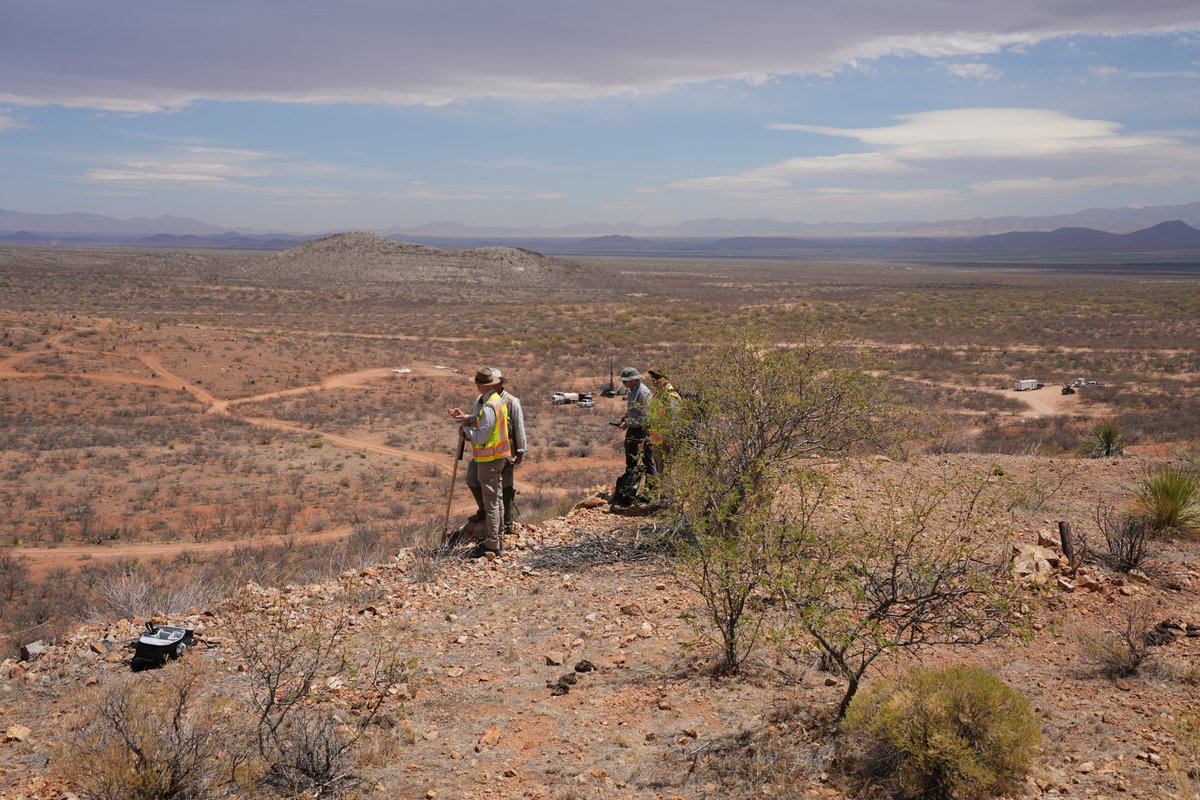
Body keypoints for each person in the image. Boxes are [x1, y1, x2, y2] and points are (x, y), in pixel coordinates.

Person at [448, 369, 511, 558]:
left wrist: (466, 430)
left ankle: (491, 544)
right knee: (496, 498)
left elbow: (482, 435)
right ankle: (498, 537)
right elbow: (482, 422)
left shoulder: (490, 406)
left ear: (481, 385)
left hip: (489, 459)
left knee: (491, 503)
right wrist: (465, 418)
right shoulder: (496, 401)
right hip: (497, 457)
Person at [465, 367, 526, 539]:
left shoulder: (511, 401)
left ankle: (505, 524)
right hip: (484, 452)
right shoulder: (482, 400)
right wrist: (466, 420)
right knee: (473, 479)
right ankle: (486, 514)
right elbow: (479, 420)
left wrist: (521, 450)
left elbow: (519, 427)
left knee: (504, 487)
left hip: (503, 451)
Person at [617, 366, 655, 488]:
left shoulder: (644, 392)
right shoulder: (631, 391)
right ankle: (630, 489)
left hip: (644, 432)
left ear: (633, 380)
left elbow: (646, 417)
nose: (624, 383)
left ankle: (652, 491)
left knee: (647, 462)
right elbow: (632, 409)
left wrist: (628, 422)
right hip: (633, 430)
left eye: (625, 381)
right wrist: (625, 418)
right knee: (630, 462)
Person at [647, 369, 681, 478]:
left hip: (667, 440)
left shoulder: (671, 396)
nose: (654, 381)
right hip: (657, 439)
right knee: (660, 472)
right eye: (653, 378)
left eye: (657, 378)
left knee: (668, 472)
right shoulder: (657, 395)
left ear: (665, 378)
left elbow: (675, 420)